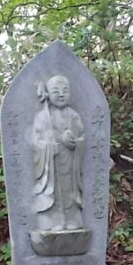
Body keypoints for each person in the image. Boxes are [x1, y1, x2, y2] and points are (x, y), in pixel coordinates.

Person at [31, 74, 85, 231]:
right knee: (54, 193)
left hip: (70, 162)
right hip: (51, 164)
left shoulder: (74, 115)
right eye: (56, 91)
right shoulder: (42, 116)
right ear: (47, 93)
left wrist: (74, 141)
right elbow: (35, 141)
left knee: (69, 191)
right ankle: (53, 221)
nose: (61, 94)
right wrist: (46, 147)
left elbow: (82, 137)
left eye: (65, 90)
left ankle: (71, 219)